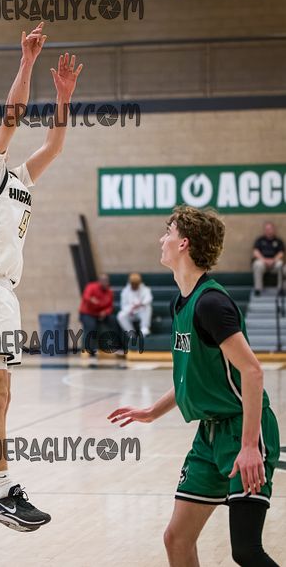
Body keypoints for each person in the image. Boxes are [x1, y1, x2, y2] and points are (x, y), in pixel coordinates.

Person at [0, 21, 83, 532]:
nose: (0, 139)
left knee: (2, 395)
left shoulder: (18, 178)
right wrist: (27, 62)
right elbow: (12, 115)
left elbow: (54, 146)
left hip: (4, 294)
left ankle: (0, 487)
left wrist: (64, 98)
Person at [108, 205, 280, 567]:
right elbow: (195, 376)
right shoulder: (181, 302)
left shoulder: (211, 304)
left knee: (246, 551)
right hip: (209, 436)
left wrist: (250, 446)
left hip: (243, 430)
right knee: (177, 539)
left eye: (168, 232)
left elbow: (252, 372)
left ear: (184, 243)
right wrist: (152, 411)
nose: (162, 239)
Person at [79, 273, 123, 356]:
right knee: (91, 326)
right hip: (88, 313)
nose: (105, 282)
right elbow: (86, 297)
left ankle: (117, 347)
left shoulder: (109, 292)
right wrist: (91, 300)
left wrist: (105, 312)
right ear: (99, 281)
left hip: (101, 314)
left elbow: (110, 307)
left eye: (106, 280)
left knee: (114, 321)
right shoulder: (91, 287)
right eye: (103, 280)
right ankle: (88, 349)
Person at [117, 272, 153, 338]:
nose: (134, 285)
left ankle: (144, 328)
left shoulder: (145, 289)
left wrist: (141, 304)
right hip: (130, 312)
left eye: (136, 284)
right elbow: (123, 306)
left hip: (141, 312)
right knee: (120, 315)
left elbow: (149, 299)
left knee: (147, 307)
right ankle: (131, 333)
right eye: (133, 284)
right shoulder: (125, 291)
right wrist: (131, 308)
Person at [252, 222, 284, 295]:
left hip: (274, 263)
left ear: (273, 229)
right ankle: (258, 289)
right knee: (257, 264)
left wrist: (273, 260)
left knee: (280, 264)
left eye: (270, 229)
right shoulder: (260, 240)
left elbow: (281, 253)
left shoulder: (278, 241)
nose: (268, 230)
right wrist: (264, 260)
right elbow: (255, 252)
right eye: (266, 229)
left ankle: (280, 289)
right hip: (262, 263)